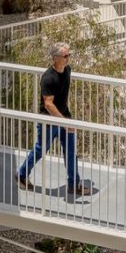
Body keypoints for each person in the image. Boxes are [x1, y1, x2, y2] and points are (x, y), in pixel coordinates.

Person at [17, 41, 92, 198]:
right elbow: (48, 104)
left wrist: (66, 120)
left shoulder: (67, 70)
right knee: (40, 150)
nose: (68, 58)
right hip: (49, 122)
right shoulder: (48, 78)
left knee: (71, 151)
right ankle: (22, 174)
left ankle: (73, 184)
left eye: (68, 55)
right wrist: (64, 122)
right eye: (65, 56)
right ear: (56, 58)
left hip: (65, 117)